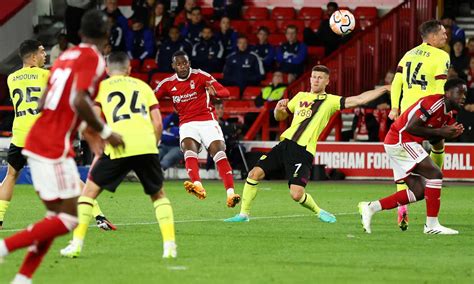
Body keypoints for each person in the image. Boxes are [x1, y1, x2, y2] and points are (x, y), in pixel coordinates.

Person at [0, 10, 124, 282]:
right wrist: (104, 132)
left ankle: (23, 278)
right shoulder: (94, 60)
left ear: (80, 34)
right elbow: (79, 100)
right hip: (51, 144)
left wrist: (76, 125)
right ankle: (4, 248)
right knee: (67, 218)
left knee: (57, 217)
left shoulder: (65, 57)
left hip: (37, 137)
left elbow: (46, 102)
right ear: (105, 36)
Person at [224, 65, 390, 223]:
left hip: (302, 151)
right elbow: (279, 117)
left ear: (327, 82)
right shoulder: (300, 96)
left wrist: (383, 88)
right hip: (285, 145)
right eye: (314, 77)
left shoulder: (330, 101)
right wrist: (277, 109)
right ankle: (243, 214)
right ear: (310, 79)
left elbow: (359, 99)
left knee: (296, 194)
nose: (316, 80)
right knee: (254, 174)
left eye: (320, 78)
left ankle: (319, 211)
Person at [60, 51, 177, 258]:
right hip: (145, 145)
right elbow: (158, 122)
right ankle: (169, 247)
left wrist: (96, 140)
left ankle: (76, 245)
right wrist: (153, 143)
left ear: (106, 70)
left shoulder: (101, 88)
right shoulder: (143, 87)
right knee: (158, 195)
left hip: (118, 145)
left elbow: (90, 121)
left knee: (88, 193)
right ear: (129, 69)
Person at [358, 78, 466, 235]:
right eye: (460, 92)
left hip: (401, 143)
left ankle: (370, 207)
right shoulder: (434, 103)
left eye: (465, 93)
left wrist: (451, 134)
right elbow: (411, 127)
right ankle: (431, 225)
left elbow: (433, 137)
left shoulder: (448, 114)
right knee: (435, 174)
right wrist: (440, 132)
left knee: (419, 191)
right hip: (400, 140)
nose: (463, 97)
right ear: (447, 93)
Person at [155, 51, 241, 208]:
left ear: (189, 63)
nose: (182, 67)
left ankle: (230, 194)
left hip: (207, 120)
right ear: (173, 66)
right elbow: (151, 98)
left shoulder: (201, 75)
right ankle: (198, 185)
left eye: (185, 63)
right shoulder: (167, 83)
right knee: (188, 148)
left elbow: (226, 92)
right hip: (187, 123)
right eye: (179, 64)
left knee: (219, 152)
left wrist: (217, 93)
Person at [389, 20, 450, 231]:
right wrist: (445, 111)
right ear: (432, 37)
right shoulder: (441, 56)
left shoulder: (408, 54)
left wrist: (394, 108)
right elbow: (441, 86)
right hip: (427, 111)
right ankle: (435, 180)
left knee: (401, 161)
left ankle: (402, 208)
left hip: (406, 113)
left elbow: (396, 83)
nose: (446, 36)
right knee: (439, 144)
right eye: (442, 33)